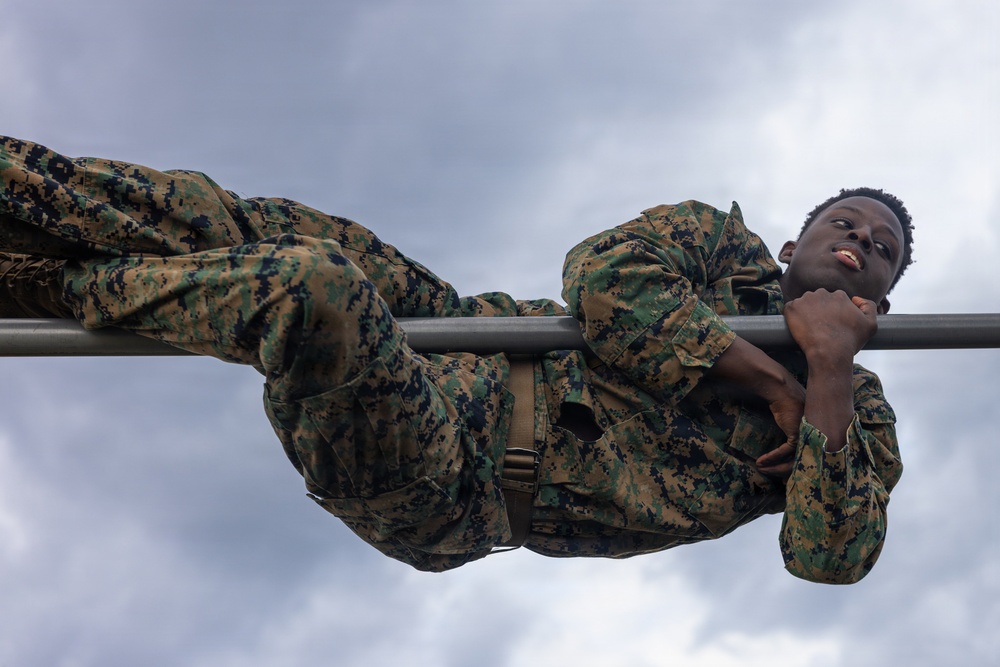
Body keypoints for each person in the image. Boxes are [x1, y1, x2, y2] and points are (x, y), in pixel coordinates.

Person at [0, 136, 912, 584]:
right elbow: (602, 280)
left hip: (459, 479)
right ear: (800, 236)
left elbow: (830, 554)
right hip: (462, 333)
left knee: (311, 286)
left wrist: (828, 376)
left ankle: (42, 285)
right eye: (846, 224)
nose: (858, 243)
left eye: (881, 248)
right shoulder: (715, 248)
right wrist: (769, 377)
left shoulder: (859, 416)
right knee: (235, 219)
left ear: (882, 292)